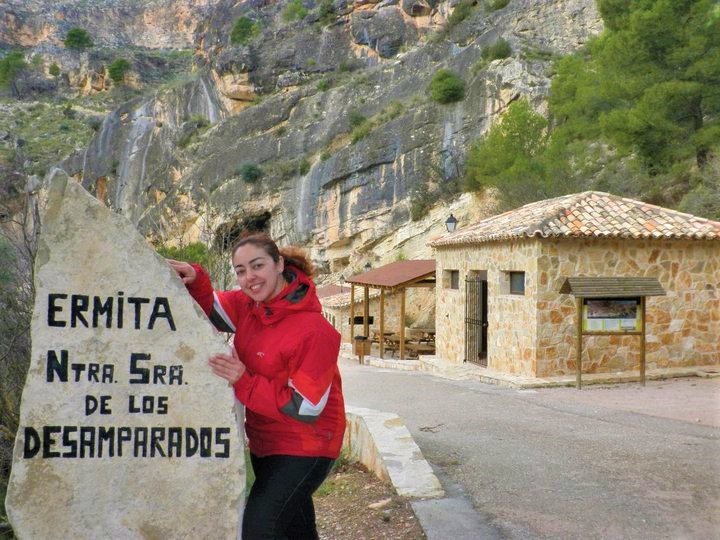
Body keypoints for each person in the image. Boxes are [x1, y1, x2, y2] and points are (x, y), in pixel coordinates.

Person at [168, 233, 345, 540]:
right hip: (264, 443)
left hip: (307, 446)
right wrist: (196, 277)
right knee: (296, 530)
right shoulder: (249, 306)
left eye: (257, 265)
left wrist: (243, 381)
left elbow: (304, 408)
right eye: (240, 270)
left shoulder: (316, 331)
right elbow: (210, 307)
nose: (249, 277)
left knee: (260, 529)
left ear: (279, 264)